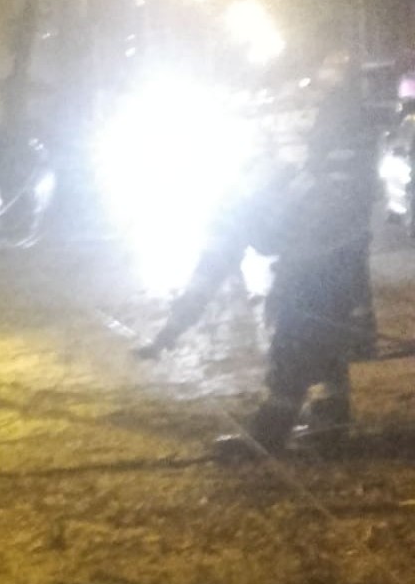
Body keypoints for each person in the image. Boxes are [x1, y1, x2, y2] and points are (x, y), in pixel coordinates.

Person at [137, 53, 377, 451]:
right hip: (331, 251)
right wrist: (173, 328)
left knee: (296, 337)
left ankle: (271, 431)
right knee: (323, 333)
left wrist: (173, 330)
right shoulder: (260, 186)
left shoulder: (253, 196)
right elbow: (214, 266)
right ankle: (331, 420)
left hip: (323, 254)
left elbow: (213, 267)